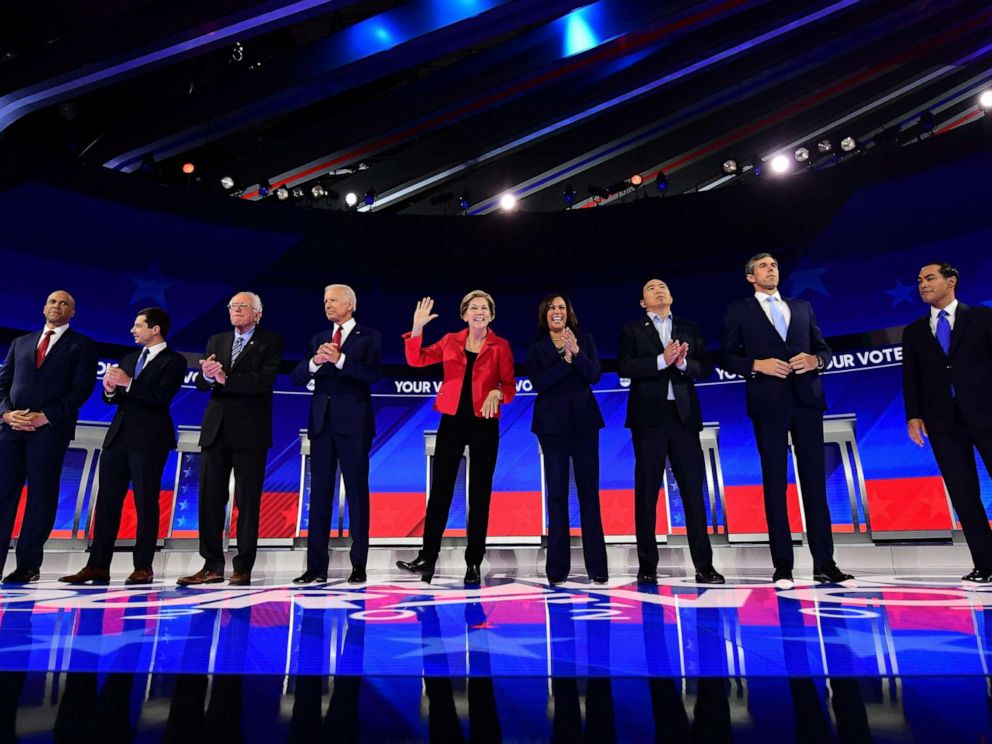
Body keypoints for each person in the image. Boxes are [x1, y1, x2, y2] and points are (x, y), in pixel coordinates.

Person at [721, 253, 853, 586]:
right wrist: (756, 365)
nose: (771, 270)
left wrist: (816, 361)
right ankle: (783, 565)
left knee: (815, 484)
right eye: (764, 266)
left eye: (775, 265)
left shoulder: (802, 307)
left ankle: (825, 563)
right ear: (751, 276)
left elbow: (824, 350)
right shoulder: (738, 311)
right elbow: (726, 356)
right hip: (768, 404)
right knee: (775, 484)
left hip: (807, 401)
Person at [59, 308, 186, 585]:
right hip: (118, 438)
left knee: (146, 503)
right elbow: (115, 400)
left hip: (150, 441)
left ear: (155, 329)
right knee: (106, 503)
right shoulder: (129, 358)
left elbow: (161, 397)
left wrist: (128, 383)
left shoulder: (173, 361)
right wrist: (110, 390)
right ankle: (97, 566)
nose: (132, 330)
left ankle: (143, 566)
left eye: (138, 325)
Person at [396, 291, 515, 584]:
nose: (479, 311)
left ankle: (473, 562)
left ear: (492, 315)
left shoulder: (501, 346)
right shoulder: (451, 340)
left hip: (485, 424)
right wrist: (418, 328)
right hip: (452, 421)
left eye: (484, 308)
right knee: (441, 492)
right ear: (464, 314)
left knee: (479, 493)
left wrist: (498, 392)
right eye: (473, 307)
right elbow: (417, 359)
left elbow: (509, 385)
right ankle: (427, 559)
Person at [618, 279, 724, 585]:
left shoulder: (689, 327)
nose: (659, 290)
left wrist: (682, 363)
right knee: (647, 493)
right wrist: (661, 360)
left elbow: (705, 367)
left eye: (663, 286)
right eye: (651, 288)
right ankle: (647, 566)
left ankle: (704, 566)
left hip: (683, 418)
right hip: (648, 419)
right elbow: (625, 366)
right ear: (643, 302)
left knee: (693, 493)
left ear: (672, 294)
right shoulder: (632, 330)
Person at [177, 292, 282, 587]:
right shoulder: (216, 340)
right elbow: (201, 383)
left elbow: (265, 381)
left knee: (247, 502)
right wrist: (208, 376)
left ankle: (243, 567)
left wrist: (226, 379)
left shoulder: (271, 341)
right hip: (216, 429)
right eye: (232, 306)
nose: (236, 310)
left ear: (257, 314)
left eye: (242, 306)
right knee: (210, 500)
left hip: (251, 431)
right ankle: (211, 566)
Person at [902, 262, 992, 583]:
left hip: (986, 414)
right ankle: (986, 563)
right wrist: (913, 415)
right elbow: (911, 378)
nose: (922, 284)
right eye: (919, 280)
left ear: (950, 281)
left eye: (929, 278)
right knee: (963, 493)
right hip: (942, 422)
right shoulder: (913, 332)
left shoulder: (982, 318)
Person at [0, 290, 97, 583]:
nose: (57, 306)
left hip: (50, 432)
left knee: (41, 498)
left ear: (73, 312)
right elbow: (3, 384)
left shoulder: (82, 346)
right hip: (10, 431)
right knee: (3, 497)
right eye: (53, 301)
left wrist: (46, 416)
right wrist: (5, 414)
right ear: (44, 308)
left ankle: (28, 565)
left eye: (64, 303)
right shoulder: (21, 342)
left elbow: (80, 390)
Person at [291, 284, 382, 584]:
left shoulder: (369, 337)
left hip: (354, 425)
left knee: (357, 493)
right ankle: (316, 567)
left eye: (333, 300)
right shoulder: (318, 339)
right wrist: (317, 361)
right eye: (325, 301)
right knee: (319, 496)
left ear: (350, 305)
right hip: (321, 425)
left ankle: (359, 565)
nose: (327, 305)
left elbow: (372, 375)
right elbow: (297, 375)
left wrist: (339, 360)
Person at [525, 294, 608, 584]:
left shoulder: (584, 339)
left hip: (585, 424)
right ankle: (557, 569)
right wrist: (566, 359)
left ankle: (597, 568)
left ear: (568, 313)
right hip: (552, 427)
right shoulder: (536, 347)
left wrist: (578, 354)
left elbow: (594, 374)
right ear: (544, 315)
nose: (557, 311)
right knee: (557, 495)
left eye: (561, 307)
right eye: (551, 308)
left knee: (589, 495)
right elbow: (540, 383)